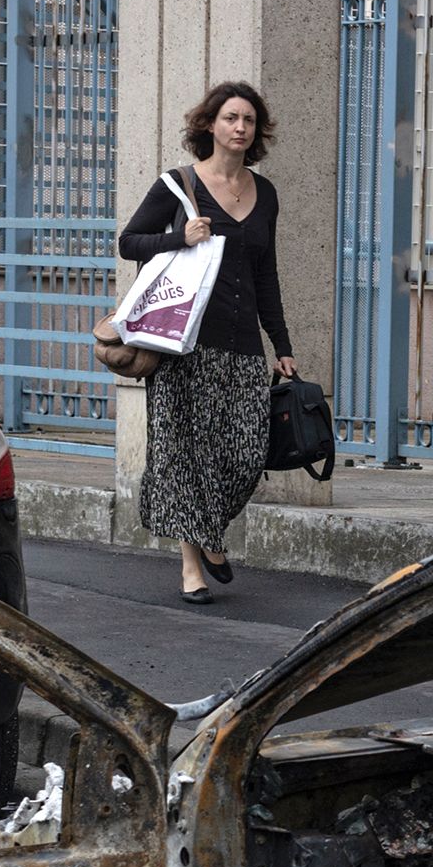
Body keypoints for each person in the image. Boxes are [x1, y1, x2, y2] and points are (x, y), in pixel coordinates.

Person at [119, 81, 295, 604]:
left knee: (244, 454)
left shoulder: (266, 195)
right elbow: (130, 242)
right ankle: (192, 565)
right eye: (230, 118)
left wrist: (281, 343)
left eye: (248, 120)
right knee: (183, 456)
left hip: (242, 346)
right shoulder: (177, 186)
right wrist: (180, 237)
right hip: (183, 344)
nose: (239, 128)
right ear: (209, 125)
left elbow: (267, 275)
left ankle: (207, 529)